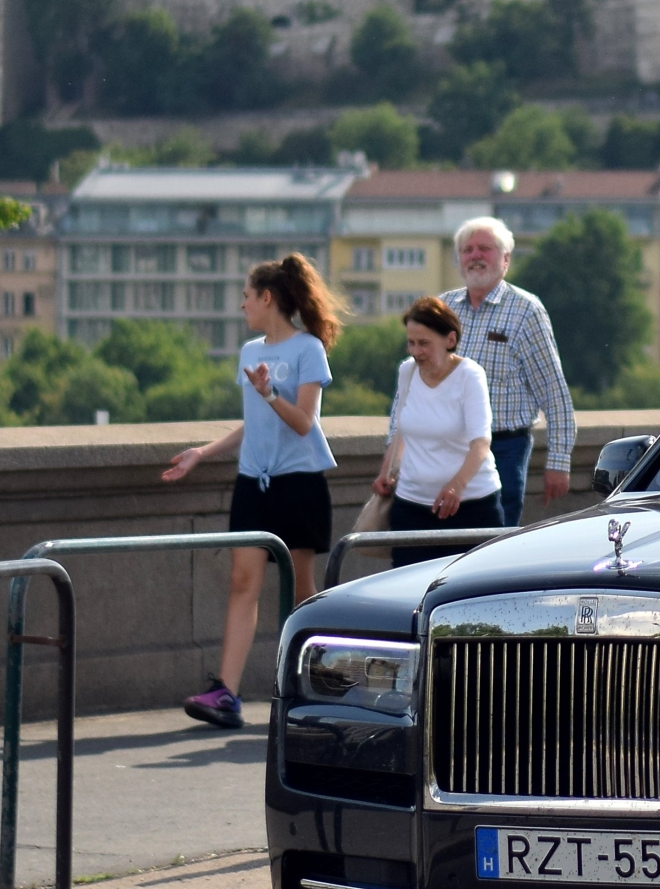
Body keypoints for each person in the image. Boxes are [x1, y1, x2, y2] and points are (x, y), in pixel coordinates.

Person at [159, 253, 342, 729]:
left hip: (298, 483)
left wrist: (268, 393)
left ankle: (314, 689)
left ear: (267, 298)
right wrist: (205, 451)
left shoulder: (308, 349)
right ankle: (226, 692)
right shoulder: (248, 352)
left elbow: (303, 423)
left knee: (302, 591)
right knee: (243, 584)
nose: (241, 305)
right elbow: (254, 423)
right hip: (253, 484)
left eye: (246, 296)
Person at [422, 215, 576, 528]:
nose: (475, 256)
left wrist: (559, 462)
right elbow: (415, 387)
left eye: (485, 249)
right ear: (458, 259)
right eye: (467, 250)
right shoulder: (441, 309)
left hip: (502, 450)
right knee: (438, 548)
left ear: (505, 259)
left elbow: (553, 391)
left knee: (491, 544)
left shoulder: (526, 311)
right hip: (444, 450)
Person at [375, 296, 503, 566]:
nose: (416, 351)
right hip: (411, 505)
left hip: (471, 505)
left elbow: (481, 443)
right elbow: (401, 429)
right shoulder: (406, 372)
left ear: (449, 340)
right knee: (409, 593)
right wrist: (386, 471)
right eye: (411, 342)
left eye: (424, 343)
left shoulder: (470, 375)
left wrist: (456, 487)